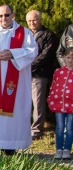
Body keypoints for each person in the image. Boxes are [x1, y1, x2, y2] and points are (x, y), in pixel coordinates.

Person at [0, 5, 38, 153]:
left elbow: (33, 50)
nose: (4, 18)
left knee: (14, 110)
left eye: (7, 15)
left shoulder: (24, 33)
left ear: (13, 15)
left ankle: (11, 145)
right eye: (0, 16)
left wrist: (13, 54)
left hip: (17, 82)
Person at [27, 10, 57, 139]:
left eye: (34, 20)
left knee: (38, 103)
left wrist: (30, 66)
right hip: (24, 74)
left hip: (39, 74)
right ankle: (24, 128)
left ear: (40, 20)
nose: (32, 23)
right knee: (24, 102)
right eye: (29, 21)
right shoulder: (26, 34)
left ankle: (37, 130)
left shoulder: (48, 35)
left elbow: (46, 55)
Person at [47, 49, 73, 159]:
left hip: (71, 105)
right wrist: (50, 99)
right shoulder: (58, 71)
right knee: (60, 127)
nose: (70, 60)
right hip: (58, 104)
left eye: (72, 58)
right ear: (64, 58)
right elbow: (53, 86)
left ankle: (67, 149)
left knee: (70, 128)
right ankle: (58, 149)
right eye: (68, 58)